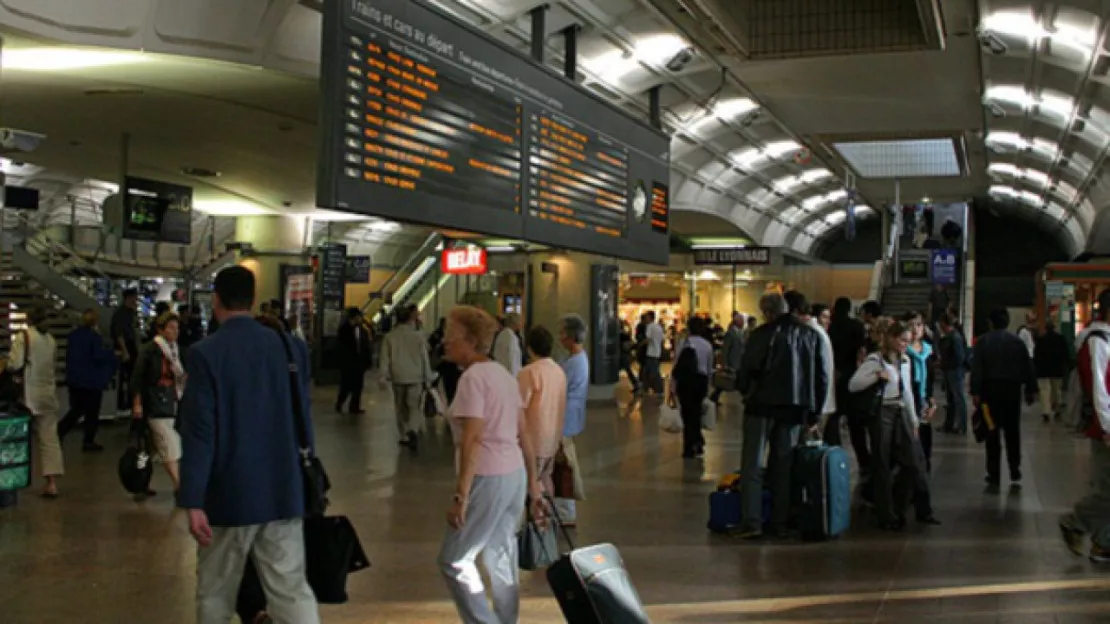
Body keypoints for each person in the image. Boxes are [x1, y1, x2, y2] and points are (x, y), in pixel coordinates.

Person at [178, 266, 319, 623]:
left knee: (216, 591)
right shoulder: (291, 348)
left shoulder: (205, 353)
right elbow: (303, 416)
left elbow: (199, 432)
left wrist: (193, 499)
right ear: (253, 300)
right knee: (290, 588)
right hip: (283, 489)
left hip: (230, 495)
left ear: (216, 300)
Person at [437, 306, 543, 623]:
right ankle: (507, 619)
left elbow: (472, 439)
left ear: (469, 341)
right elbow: (523, 432)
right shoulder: (502, 374)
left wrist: (461, 495)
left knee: (454, 559)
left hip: (487, 476)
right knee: (501, 549)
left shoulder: (472, 379)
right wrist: (534, 485)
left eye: (450, 336)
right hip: (514, 475)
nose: (445, 342)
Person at [736, 293, 827, 539]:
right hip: (795, 409)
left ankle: (752, 522)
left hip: (761, 406)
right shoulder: (810, 335)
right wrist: (814, 412)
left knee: (753, 465)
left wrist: (744, 389)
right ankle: (780, 522)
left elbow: (748, 370)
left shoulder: (761, 335)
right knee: (783, 466)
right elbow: (821, 377)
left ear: (766, 312)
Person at [850, 320, 936, 530]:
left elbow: (906, 392)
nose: (905, 345)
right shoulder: (875, 360)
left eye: (907, 341)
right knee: (882, 462)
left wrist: (914, 419)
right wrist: (877, 376)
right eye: (902, 340)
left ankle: (900, 506)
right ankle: (886, 513)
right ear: (891, 338)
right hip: (882, 412)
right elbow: (854, 385)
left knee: (913, 462)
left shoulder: (905, 361)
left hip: (900, 410)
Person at [1060, 288, 1110, 563]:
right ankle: (1076, 522)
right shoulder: (1097, 341)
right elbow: (1098, 388)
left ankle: (1103, 543)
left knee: (1106, 486)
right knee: (1107, 489)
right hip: (1105, 426)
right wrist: (1106, 427)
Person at [971, 308, 1038, 487]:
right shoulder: (1016, 342)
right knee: (1012, 431)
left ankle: (994, 473)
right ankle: (1014, 468)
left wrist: (975, 391)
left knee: (992, 431)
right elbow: (1028, 366)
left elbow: (977, 369)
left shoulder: (983, 342)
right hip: (1012, 391)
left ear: (990, 323)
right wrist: (1031, 389)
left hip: (989, 393)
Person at [132, 312, 186, 495]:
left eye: (177, 328)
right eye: (171, 328)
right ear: (161, 330)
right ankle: (179, 484)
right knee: (167, 441)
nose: (175, 332)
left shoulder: (176, 351)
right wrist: (137, 402)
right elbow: (138, 378)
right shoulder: (150, 351)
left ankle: (141, 482)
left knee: (151, 447)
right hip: (154, 400)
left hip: (170, 399)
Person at [12, 308, 62, 498]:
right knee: (49, 439)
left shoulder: (23, 337)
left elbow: (15, 364)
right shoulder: (51, 340)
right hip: (48, 393)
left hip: (28, 394)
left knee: (17, 437)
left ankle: (14, 478)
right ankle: (51, 483)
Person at [517, 326, 567, 497]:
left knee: (529, 483)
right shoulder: (559, 371)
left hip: (532, 440)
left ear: (529, 347)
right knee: (546, 479)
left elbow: (519, 407)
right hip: (552, 438)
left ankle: (535, 520)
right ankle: (547, 520)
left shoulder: (528, 372)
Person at [59, 309, 118, 452]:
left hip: (75, 380)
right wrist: (113, 355)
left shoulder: (73, 336)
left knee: (76, 409)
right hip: (91, 381)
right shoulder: (94, 338)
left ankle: (60, 431)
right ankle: (88, 441)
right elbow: (98, 356)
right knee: (92, 412)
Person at [380, 304, 435, 452]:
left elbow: (385, 358)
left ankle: (403, 434)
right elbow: (425, 358)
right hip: (415, 376)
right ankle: (413, 430)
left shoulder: (390, 337)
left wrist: (383, 376)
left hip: (398, 376)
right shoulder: (417, 337)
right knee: (414, 406)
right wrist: (428, 378)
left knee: (399, 406)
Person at [556, 314, 589, 526]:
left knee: (564, 465)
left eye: (563, 333)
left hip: (565, 418)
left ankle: (566, 509)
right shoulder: (572, 359)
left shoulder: (575, 362)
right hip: (566, 416)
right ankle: (562, 507)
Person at [828, 297, 870, 456]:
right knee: (855, 419)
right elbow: (861, 349)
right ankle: (863, 455)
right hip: (853, 373)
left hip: (835, 373)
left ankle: (834, 448)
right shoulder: (857, 326)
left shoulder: (831, 327)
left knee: (834, 414)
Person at [670, 316, 714, 458]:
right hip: (700, 381)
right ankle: (698, 441)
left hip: (685, 382)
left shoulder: (683, 343)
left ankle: (689, 446)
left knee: (687, 413)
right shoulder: (707, 345)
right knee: (696, 412)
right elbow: (708, 369)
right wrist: (708, 387)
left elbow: (676, 364)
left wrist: (672, 385)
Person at [797, 297, 836, 435]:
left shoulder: (812, 333)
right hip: (822, 399)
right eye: (825, 317)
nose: (828, 321)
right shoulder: (819, 333)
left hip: (816, 401)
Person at [903, 311, 937, 470]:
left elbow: (931, 376)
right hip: (907, 398)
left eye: (918, 324)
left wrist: (931, 399)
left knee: (925, 433)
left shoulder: (928, 350)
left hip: (923, 397)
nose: (915, 329)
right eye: (911, 325)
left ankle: (925, 463)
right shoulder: (902, 350)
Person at [335, 307, 372, 415]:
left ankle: (354, 406)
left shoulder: (362, 330)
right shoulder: (344, 329)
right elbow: (341, 347)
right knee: (346, 385)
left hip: (359, 363)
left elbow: (365, 346)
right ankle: (340, 402)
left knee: (358, 386)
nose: (360, 318)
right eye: (358, 316)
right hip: (348, 363)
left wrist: (367, 361)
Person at [937, 313, 969, 434]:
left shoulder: (955, 337)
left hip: (954, 372)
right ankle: (949, 424)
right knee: (951, 399)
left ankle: (962, 425)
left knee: (958, 398)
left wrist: (947, 364)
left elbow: (959, 357)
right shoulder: (949, 336)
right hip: (949, 370)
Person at [111, 288, 140, 418]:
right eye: (134, 297)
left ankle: (129, 402)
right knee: (125, 377)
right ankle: (123, 404)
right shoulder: (121, 314)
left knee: (131, 376)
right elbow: (119, 333)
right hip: (126, 347)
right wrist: (125, 351)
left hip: (131, 346)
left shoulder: (131, 313)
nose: (136, 300)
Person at [1035, 321, 1069, 423]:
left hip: (1043, 370)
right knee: (1057, 390)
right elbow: (1065, 354)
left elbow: (1037, 356)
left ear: (1045, 328)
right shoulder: (1060, 339)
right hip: (1057, 369)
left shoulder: (1041, 340)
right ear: (1054, 328)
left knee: (1044, 391)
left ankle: (1046, 411)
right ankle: (1057, 408)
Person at [709, 312, 745, 404]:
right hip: (732, 361)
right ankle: (714, 397)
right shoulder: (731, 333)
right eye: (742, 321)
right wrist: (724, 363)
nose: (743, 323)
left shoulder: (739, 332)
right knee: (727, 381)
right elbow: (725, 349)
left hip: (737, 361)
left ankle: (714, 397)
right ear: (737, 322)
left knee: (731, 381)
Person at [640, 311, 665, 395]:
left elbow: (648, 339)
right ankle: (646, 388)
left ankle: (659, 389)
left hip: (651, 352)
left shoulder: (649, 326)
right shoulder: (659, 327)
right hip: (657, 352)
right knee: (648, 371)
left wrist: (638, 345)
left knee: (653, 372)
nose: (645, 319)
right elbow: (662, 340)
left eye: (646, 317)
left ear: (650, 318)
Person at [491, 313, 523, 377]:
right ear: (515, 323)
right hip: (509, 374)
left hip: (500, 371)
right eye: (520, 322)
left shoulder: (502, 334)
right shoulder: (511, 337)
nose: (521, 324)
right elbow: (512, 360)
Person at [618, 322, 641, 395]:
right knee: (628, 370)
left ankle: (637, 384)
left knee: (628, 370)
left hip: (623, 355)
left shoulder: (621, 334)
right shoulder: (624, 334)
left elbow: (626, 345)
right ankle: (636, 384)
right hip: (625, 355)